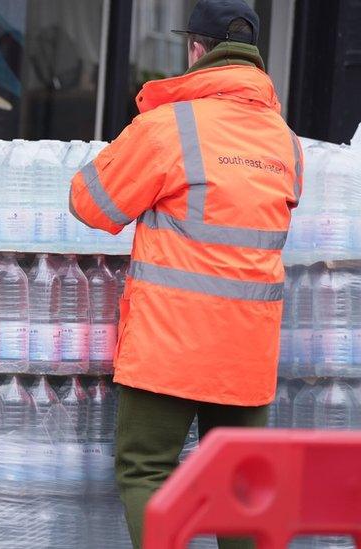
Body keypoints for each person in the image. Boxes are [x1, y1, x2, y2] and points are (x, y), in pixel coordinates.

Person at [68, 1, 302, 548]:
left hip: (170, 346)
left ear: (196, 50)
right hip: (248, 348)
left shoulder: (167, 128)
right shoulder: (286, 142)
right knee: (241, 484)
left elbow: (90, 204)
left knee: (148, 470)